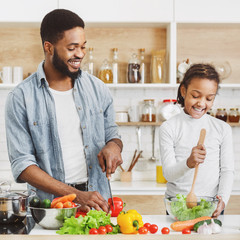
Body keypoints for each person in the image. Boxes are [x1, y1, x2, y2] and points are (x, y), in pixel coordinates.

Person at [5, 9, 123, 213]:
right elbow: (23, 165)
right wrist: (75, 195)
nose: (80, 54)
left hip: (97, 201)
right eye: (72, 48)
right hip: (49, 208)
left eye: (83, 47)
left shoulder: (97, 88)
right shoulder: (21, 98)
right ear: (48, 47)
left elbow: (112, 133)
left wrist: (114, 146)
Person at [159, 63, 234, 217]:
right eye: (195, 96)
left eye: (209, 98)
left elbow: (227, 171)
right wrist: (189, 163)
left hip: (210, 205)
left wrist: (223, 199)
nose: (201, 103)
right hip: (177, 205)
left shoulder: (222, 128)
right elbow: (168, 174)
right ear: (183, 91)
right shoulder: (169, 127)